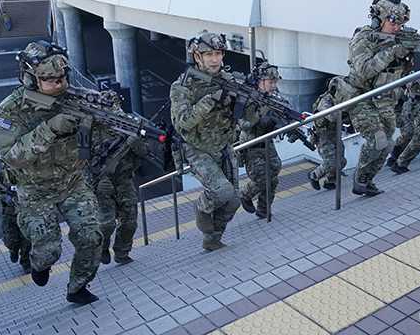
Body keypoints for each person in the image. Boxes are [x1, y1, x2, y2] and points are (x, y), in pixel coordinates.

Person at [0, 41, 103, 305]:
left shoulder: (78, 97)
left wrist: (104, 118)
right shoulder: (10, 110)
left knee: (92, 237)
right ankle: (39, 263)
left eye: (63, 77)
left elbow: (102, 134)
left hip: (73, 181)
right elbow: (9, 155)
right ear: (30, 79)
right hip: (34, 189)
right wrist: (50, 128)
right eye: (50, 80)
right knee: (48, 250)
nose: (60, 84)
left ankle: (78, 286)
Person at [170, 31, 262, 251]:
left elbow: (248, 116)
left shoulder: (230, 80)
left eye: (218, 53)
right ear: (197, 57)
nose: (214, 59)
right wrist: (210, 100)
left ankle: (212, 239)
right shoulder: (182, 86)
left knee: (234, 201)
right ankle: (202, 208)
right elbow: (182, 122)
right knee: (222, 192)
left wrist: (258, 105)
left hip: (224, 145)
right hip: (197, 148)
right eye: (208, 54)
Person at [347, 0, 413, 196]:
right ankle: (359, 177)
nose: (397, 28)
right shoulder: (362, 39)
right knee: (378, 141)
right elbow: (365, 70)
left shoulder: (400, 38)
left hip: (386, 101)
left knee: (388, 145)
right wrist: (394, 51)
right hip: (362, 99)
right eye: (393, 22)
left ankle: (368, 181)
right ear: (378, 19)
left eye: (401, 23)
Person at [88, 90, 151, 265]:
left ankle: (122, 252)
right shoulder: (91, 128)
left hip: (124, 180)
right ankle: (102, 248)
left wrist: (136, 143)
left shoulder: (132, 124)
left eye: (116, 106)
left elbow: (146, 150)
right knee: (105, 223)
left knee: (130, 221)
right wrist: (95, 185)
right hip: (101, 182)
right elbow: (79, 162)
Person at [238, 62, 283, 219]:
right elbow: (242, 124)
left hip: (267, 141)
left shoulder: (275, 98)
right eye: (270, 82)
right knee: (262, 178)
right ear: (260, 82)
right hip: (251, 144)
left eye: (275, 82)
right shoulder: (247, 98)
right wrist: (259, 113)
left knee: (274, 173)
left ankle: (264, 208)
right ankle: (243, 194)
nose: (273, 86)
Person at [308, 76, 353, 190]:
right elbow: (332, 117)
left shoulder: (340, 101)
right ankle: (314, 175)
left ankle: (330, 181)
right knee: (331, 162)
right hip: (323, 136)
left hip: (335, 134)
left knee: (342, 161)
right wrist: (345, 110)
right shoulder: (326, 101)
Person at [0, 170, 32, 273]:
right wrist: (3, 197)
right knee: (11, 240)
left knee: (27, 240)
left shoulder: (26, 174)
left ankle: (25, 262)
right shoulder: (0, 176)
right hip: (8, 214)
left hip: (24, 214)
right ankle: (13, 250)